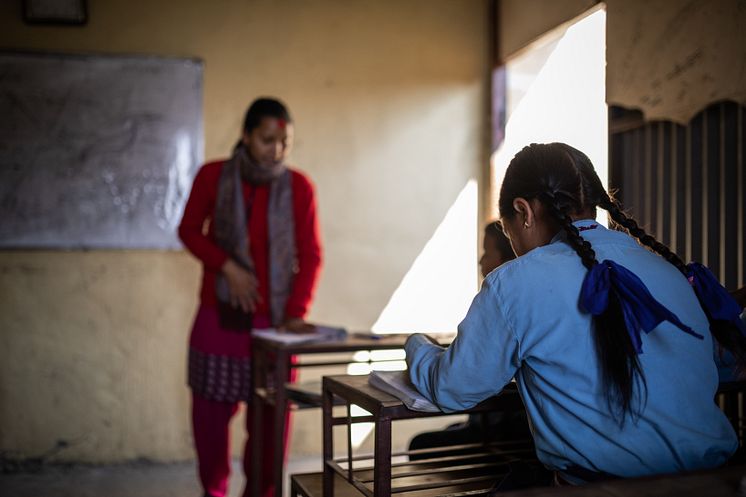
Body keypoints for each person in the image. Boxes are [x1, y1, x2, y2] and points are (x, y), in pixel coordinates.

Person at [405, 143, 746, 488]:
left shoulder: (516, 283)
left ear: (523, 211)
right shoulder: (669, 272)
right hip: (717, 481)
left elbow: (453, 389)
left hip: (602, 488)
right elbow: (713, 366)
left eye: (509, 234)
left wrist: (417, 346)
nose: (516, 248)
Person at [178, 97, 322, 497]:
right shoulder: (213, 177)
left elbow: (310, 255)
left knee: (270, 431)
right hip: (218, 319)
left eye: (284, 142)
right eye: (266, 139)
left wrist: (296, 312)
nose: (275, 150)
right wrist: (227, 266)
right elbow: (189, 230)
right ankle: (215, 491)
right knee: (209, 424)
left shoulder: (298, 187)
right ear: (246, 136)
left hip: (275, 326)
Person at [408, 221, 529, 459]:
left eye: (486, 252)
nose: (480, 261)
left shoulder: (501, 294)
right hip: (508, 428)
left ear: (506, 260)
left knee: (420, 445)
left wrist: (416, 343)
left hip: (502, 435)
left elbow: (454, 384)